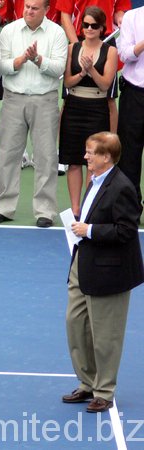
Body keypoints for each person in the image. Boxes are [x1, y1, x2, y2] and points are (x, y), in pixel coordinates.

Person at [63, 132, 144, 413]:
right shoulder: (95, 180)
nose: (85, 157)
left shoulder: (122, 187)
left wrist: (90, 230)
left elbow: (126, 230)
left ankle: (104, 390)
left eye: (90, 153)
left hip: (109, 273)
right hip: (83, 264)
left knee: (106, 336)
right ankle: (87, 382)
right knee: (76, 325)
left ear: (106, 157)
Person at [0, 0, 67, 228]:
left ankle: (45, 211)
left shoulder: (57, 33)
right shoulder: (9, 31)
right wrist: (21, 60)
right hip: (13, 99)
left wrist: (38, 59)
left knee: (46, 157)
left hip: (45, 100)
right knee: (8, 155)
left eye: (35, 8)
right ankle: (4, 207)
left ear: (46, 10)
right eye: (27, 6)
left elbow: (59, 68)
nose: (29, 11)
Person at [59, 6, 117, 218]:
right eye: (85, 25)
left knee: (93, 163)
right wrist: (82, 71)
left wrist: (91, 70)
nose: (89, 29)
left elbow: (105, 84)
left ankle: (88, 207)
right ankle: (75, 208)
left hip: (97, 110)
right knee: (74, 161)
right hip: (74, 107)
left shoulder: (110, 51)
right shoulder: (72, 48)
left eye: (94, 25)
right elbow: (67, 81)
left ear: (102, 28)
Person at [117, 5, 144, 204]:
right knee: (129, 154)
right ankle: (130, 208)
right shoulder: (131, 17)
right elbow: (124, 55)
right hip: (134, 92)